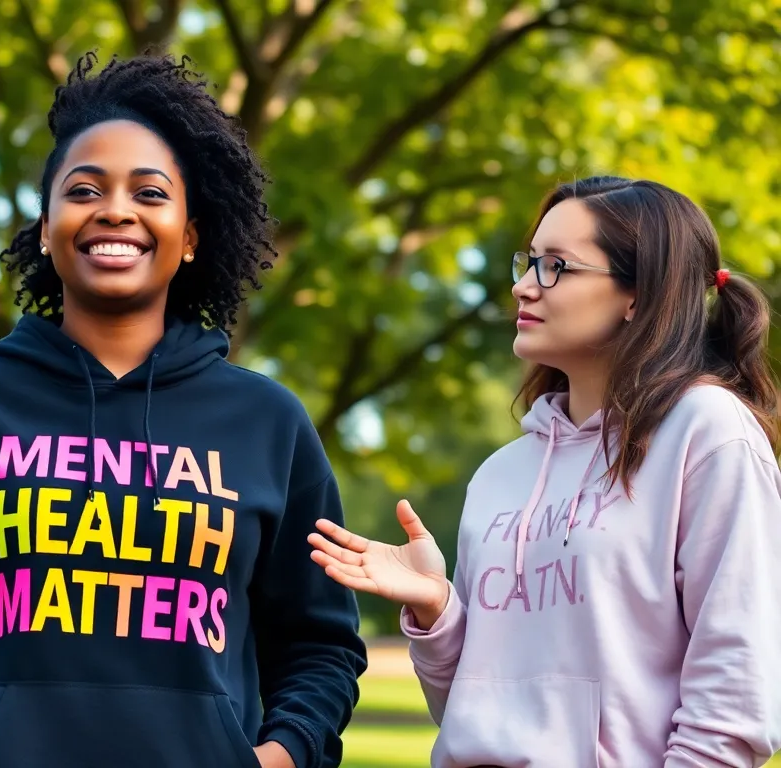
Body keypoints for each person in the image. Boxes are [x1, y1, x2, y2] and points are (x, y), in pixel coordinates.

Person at [0, 51, 367, 768]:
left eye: (150, 193)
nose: (115, 209)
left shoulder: (269, 424)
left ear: (189, 237)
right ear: (47, 225)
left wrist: (272, 760)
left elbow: (321, 646)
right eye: (84, 190)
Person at [309, 176, 781, 766]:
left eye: (556, 266)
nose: (523, 287)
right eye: (527, 263)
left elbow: (733, 705)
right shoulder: (501, 474)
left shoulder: (707, 432)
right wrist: (436, 610)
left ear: (639, 294)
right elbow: (466, 709)